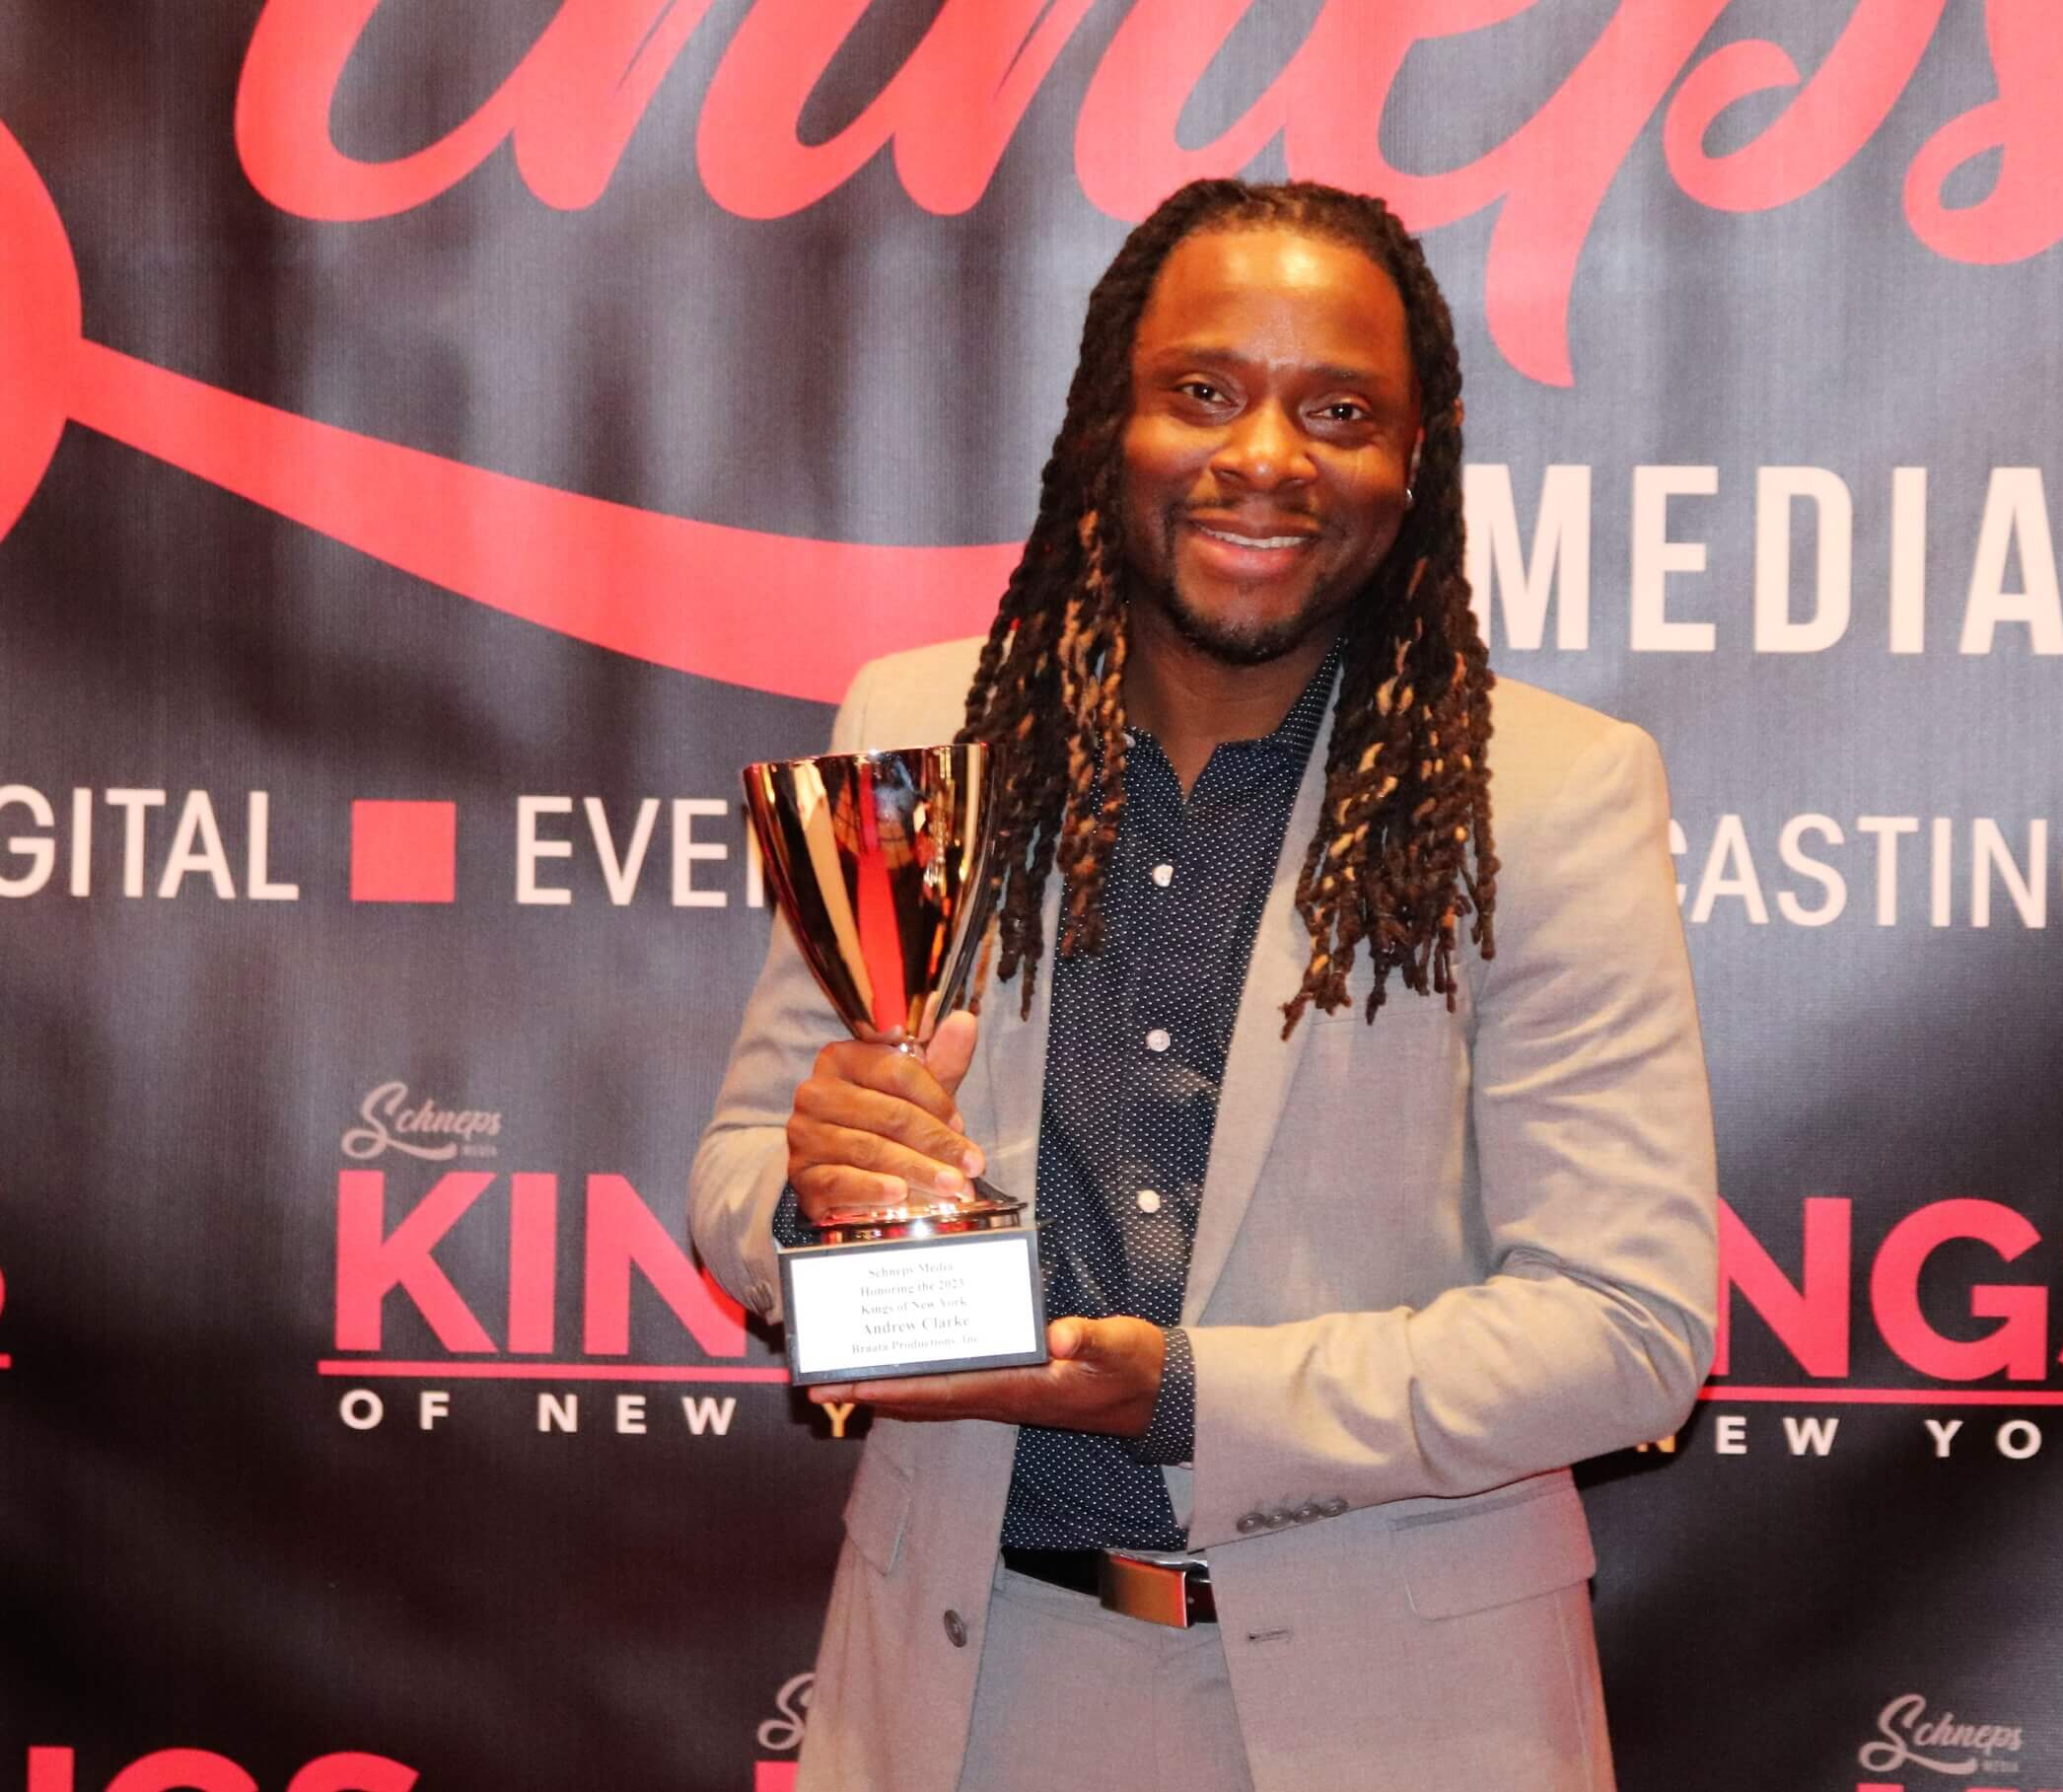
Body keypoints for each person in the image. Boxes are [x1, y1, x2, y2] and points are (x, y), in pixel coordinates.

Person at [691, 179, 1718, 1792]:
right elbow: (748, 1182)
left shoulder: (1553, 793)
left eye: (1338, 410)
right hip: (966, 1690)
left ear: (1415, 457)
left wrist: (1179, 1396)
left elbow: (1628, 1325)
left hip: (1403, 1718)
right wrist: (829, 1202)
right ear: (1116, 418)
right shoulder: (919, 722)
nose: (1264, 458)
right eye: (1205, 392)